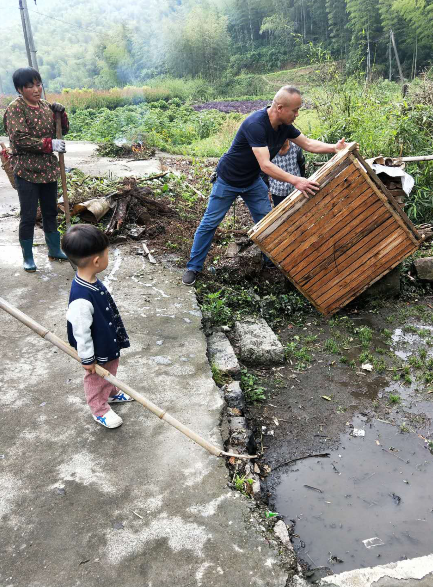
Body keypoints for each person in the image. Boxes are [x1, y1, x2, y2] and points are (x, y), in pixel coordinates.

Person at [182, 85, 347, 286]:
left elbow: (309, 144)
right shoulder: (255, 124)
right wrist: (297, 181)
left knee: (268, 222)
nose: (297, 114)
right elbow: (266, 165)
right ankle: (193, 267)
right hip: (228, 179)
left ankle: (271, 264)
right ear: (279, 108)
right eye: (294, 110)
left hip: (252, 181)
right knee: (210, 223)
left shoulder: (285, 126)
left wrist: (334, 148)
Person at [62, 224, 133, 429]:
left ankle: (110, 391)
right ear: (96, 260)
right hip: (96, 347)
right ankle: (98, 408)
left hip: (106, 339)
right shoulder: (81, 299)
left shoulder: (90, 280)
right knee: (95, 377)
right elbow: (81, 332)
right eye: (106, 253)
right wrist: (87, 358)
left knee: (111, 367)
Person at [3, 67, 69, 272]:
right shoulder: (15, 109)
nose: (36, 89)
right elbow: (20, 140)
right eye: (30, 85)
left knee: (50, 211)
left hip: (48, 169)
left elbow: (62, 130)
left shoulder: (46, 107)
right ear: (19, 89)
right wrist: (50, 145)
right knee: (29, 215)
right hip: (26, 170)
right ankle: (28, 257)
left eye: (38, 84)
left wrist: (61, 115)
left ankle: (54, 249)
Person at [269, 139, 305, 207]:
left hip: (294, 187)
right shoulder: (270, 149)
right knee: (281, 213)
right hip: (277, 189)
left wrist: (301, 179)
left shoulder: (296, 146)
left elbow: (301, 163)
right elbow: (264, 169)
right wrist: (267, 190)